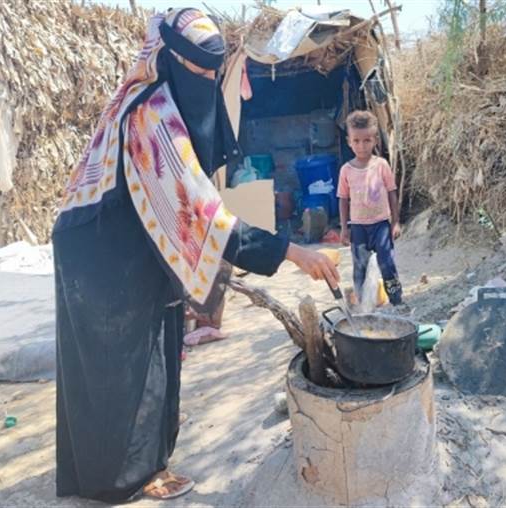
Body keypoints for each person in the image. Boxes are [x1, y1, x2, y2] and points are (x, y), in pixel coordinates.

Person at [51, 9, 338, 503]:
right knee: (121, 360)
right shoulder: (150, 116)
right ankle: (123, 478)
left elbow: (189, 205)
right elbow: (203, 217)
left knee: (157, 342)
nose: (205, 81)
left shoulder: (165, 105)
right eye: (198, 71)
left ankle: (134, 464)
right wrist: (293, 252)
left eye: (212, 72)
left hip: (126, 241)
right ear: (168, 60)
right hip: (100, 249)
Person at [337, 110, 403, 306]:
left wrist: (395, 222)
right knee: (360, 268)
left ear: (375, 140)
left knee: (388, 265)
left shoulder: (381, 165)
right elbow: (342, 199)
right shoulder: (346, 170)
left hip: (381, 224)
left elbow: (392, 192)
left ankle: (397, 301)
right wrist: (344, 228)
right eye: (356, 141)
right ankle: (362, 305)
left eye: (367, 140)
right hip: (358, 228)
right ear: (349, 141)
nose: (361, 146)